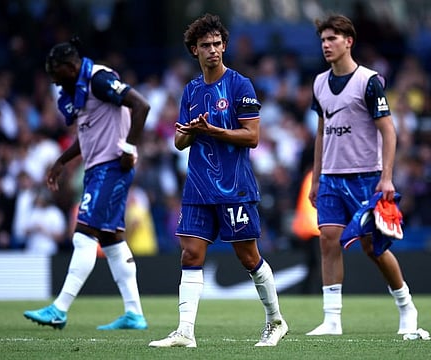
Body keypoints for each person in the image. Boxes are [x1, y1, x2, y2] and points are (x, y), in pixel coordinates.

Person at [148, 14, 287, 348]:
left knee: (248, 258)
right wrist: (191, 131)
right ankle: (185, 332)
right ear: (194, 50)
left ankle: (276, 321)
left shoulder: (241, 85)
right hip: (198, 186)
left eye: (217, 44)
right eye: (205, 45)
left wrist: (213, 131)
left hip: (234, 186)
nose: (212, 50)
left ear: (224, 46)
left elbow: (252, 136)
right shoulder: (191, 90)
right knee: (190, 254)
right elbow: (179, 142)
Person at [23, 37, 150, 330]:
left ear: (70, 67)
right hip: (98, 168)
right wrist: (61, 161)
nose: (55, 83)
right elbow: (88, 134)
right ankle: (134, 313)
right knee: (111, 240)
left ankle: (60, 308)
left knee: (83, 235)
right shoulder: (80, 89)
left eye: (56, 75)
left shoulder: (99, 80)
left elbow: (141, 106)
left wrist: (129, 149)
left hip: (111, 166)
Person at [307, 14, 420, 336]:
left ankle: (406, 306)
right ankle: (332, 320)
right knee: (328, 240)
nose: (326, 45)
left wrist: (387, 177)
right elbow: (321, 133)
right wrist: (316, 178)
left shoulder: (369, 81)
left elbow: (389, 131)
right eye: (323, 40)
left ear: (348, 42)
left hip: (365, 176)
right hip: (331, 175)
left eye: (332, 39)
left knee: (374, 248)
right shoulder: (318, 83)